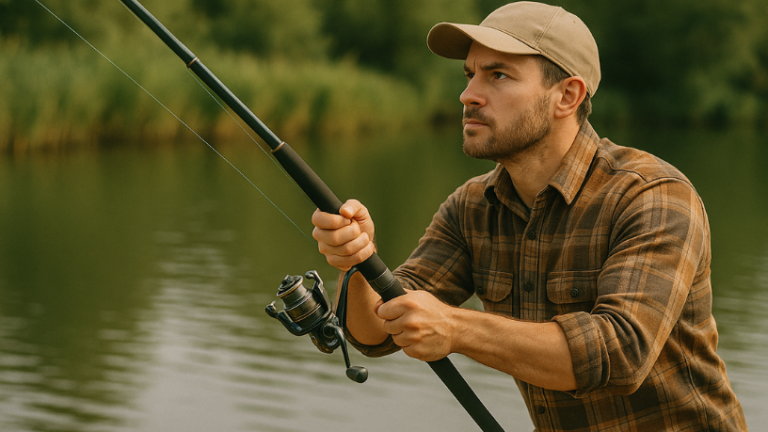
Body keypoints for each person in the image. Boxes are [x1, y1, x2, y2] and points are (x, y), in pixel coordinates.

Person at [311, 2, 748, 431]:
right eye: (470, 75)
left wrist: (455, 327)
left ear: (568, 96)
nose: (468, 95)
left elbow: (620, 354)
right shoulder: (470, 207)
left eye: (498, 75)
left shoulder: (653, 196)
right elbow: (376, 334)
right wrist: (357, 261)